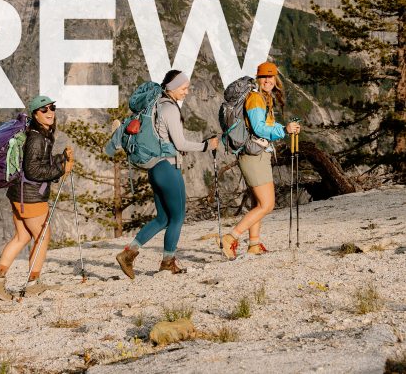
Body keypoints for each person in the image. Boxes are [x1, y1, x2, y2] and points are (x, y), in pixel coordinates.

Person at [108, 71, 218, 278]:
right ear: (172, 87)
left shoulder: (156, 105)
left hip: (155, 169)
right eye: (184, 88)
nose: (186, 92)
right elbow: (181, 143)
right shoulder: (169, 109)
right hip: (168, 169)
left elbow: (165, 140)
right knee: (177, 217)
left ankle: (128, 253)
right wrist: (206, 145)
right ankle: (168, 262)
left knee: (163, 218)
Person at [0, 95, 74, 301]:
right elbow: (34, 170)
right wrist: (62, 169)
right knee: (42, 236)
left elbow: (37, 162)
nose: (50, 112)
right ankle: (33, 282)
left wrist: (61, 158)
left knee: (22, 237)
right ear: (34, 114)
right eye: (44, 110)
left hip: (18, 193)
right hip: (31, 196)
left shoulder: (34, 134)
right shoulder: (37, 138)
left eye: (52, 108)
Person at [220, 61, 301, 259]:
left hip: (256, 153)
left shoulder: (263, 97)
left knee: (258, 201)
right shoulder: (256, 98)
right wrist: (283, 130)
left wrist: (284, 127)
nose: (267, 80)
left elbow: (265, 124)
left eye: (270, 77)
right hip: (253, 155)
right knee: (267, 204)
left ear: (276, 79)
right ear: (258, 78)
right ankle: (230, 238)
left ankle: (254, 244)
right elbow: (259, 128)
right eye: (264, 77)